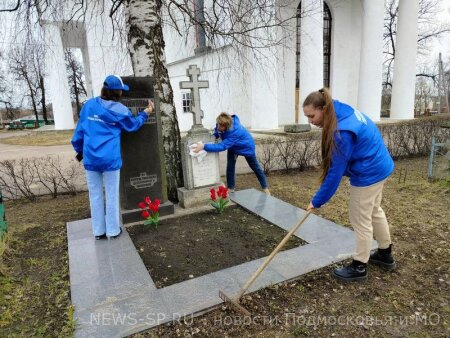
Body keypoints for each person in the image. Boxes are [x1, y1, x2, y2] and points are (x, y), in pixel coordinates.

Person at [303, 88, 396, 282]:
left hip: (369, 173)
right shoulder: (339, 109)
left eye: (312, 115)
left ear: (322, 108)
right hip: (379, 165)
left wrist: (317, 201)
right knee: (374, 210)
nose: (310, 121)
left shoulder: (342, 132)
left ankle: (359, 267)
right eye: (307, 117)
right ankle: (385, 254)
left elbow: (335, 172)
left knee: (360, 220)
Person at [71, 75, 154, 240]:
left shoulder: (88, 106)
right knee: (111, 194)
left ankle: (98, 232)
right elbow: (133, 125)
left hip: (91, 159)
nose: (122, 94)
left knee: (94, 195)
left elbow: (78, 134)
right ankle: (113, 230)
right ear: (117, 93)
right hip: (110, 160)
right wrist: (146, 113)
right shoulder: (121, 110)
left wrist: (81, 151)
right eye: (121, 91)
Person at [193, 112, 270, 194]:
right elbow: (218, 131)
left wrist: (204, 146)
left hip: (246, 147)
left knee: (255, 167)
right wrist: (215, 135)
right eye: (218, 124)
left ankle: (265, 188)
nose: (218, 127)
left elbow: (221, 146)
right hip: (233, 147)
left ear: (227, 126)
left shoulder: (234, 132)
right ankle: (231, 188)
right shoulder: (221, 122)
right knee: (230, 166)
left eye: (220, 126)